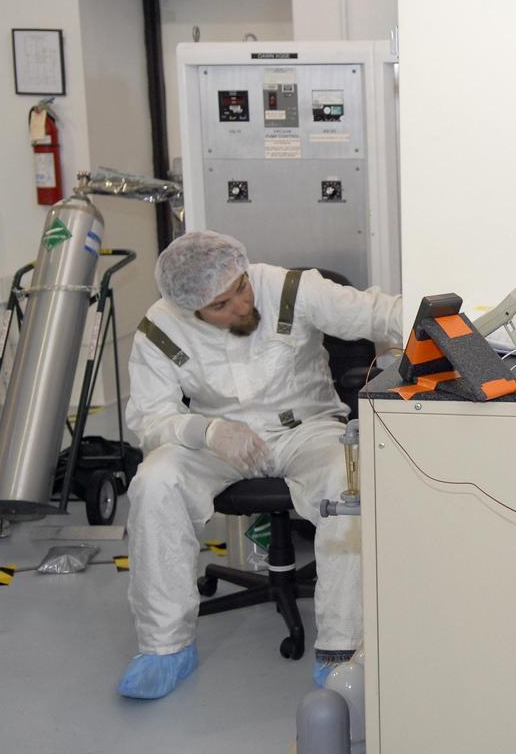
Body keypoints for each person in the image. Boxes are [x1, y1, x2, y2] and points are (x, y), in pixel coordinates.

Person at [118, 230, 401, 699]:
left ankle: (343, 649)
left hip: (306, 430)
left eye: (241, 289)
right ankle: (164, 647)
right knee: (154, 481)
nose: (242, 306)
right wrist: (205, 431)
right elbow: (149, 417)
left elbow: (377, 312)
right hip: (219, 439)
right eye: (221, 306)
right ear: (192, 309)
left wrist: (449, 320)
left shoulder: (290, 289)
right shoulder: (160, 326)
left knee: (347, 481)